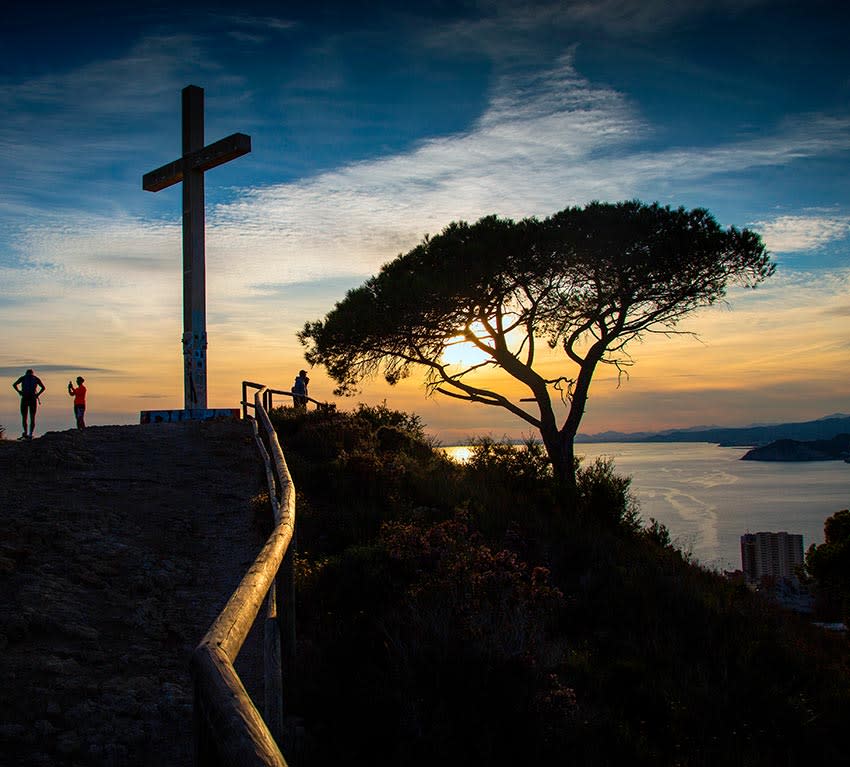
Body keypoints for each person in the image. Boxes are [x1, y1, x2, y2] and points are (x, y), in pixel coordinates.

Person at [12, 369, 45, 440]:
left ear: (26, 373)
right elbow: (43, 388)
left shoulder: (23, 378)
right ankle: (30, 434)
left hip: (25, 398)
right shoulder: (36, 378)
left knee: (24, 417)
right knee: (32, 417)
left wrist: (19, 392)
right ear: (32, 373)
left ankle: (25, 432)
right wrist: (38, 394)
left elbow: (14, 385)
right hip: (33, 399)